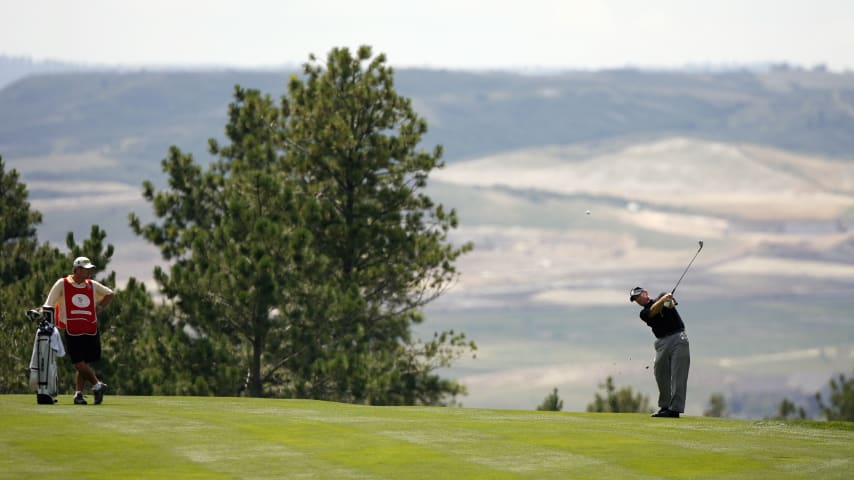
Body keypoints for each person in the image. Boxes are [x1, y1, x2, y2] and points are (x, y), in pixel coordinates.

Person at [43, 256, 115, 405]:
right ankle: (97, 385)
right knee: (78, 363)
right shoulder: (62, 283)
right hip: (72, 328)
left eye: (90, 269)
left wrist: (99, 308)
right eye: (86, 269)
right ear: (77, 270)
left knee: (83, 363)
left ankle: (78, 395)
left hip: (90, 328)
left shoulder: (91, 285)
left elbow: (110, 294)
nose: (89, 272)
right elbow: (49, 304)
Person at [629, 286, 690, 418]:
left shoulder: (663, 297)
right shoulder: (644, 313)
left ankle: (675, 410)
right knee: (660, 373)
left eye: (639, 296)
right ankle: (665, 406)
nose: (638, 300)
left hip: (678, 338)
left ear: (646, 293)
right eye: (635, 299)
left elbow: (670, 304)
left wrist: (668, 298)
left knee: (678, 374)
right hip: (661, 343)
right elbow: (653, 311)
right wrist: (663, 299)